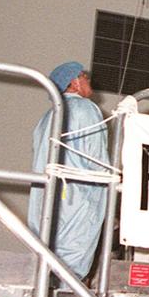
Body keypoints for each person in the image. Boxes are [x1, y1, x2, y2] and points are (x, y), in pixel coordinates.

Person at [28, 62, 109, 281]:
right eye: (85, 76)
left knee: (50, 270)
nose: (89, 80)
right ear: (74, 82)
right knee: (71, 271)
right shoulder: (85, 109)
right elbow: (97, 161)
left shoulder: (47, 118)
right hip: (76, 202)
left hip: (47, 204)